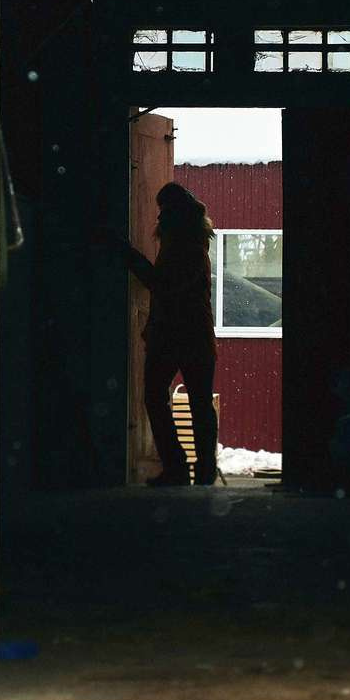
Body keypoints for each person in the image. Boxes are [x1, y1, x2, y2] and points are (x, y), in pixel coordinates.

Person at [103, 182, 218, 487]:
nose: (159, 218)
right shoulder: (191, 245)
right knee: (198, 404)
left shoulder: (185, 248)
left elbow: (162, 284)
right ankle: (200, 470)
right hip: (193, 335)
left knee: (158, 398)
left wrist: (128, 255)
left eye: (163, 211)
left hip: (173, 335)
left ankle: (180, 467)